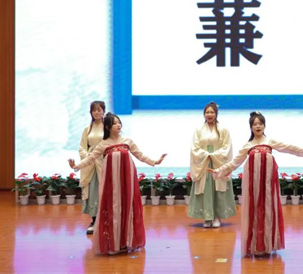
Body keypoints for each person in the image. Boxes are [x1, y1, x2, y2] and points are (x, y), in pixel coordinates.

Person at [208, 111, 303, 257]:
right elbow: (234, 163)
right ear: (251, 127)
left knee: (268, 210)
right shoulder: (248, 146)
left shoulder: (270, 141)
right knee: (254, 211)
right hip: (253, 186)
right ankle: (256, 245)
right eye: (255, 124)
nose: (258, 126)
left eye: (260, 124)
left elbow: (290, 148)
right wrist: (218, 171)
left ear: (264, 126)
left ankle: (268, 244)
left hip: (268, 184)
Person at [68, 113, 166, 255]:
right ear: (108, 127)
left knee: (127, 207)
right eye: (114, 123)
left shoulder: (127, 141)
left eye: (119, 122)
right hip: (111, 183)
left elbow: (140, 155)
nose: (118, 125)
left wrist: (155, 161)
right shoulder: (103, 144)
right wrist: (76, 166)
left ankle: (126, 241)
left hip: (127, 181)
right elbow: (90, 159)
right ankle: (114, 244)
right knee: (113, 208)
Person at [188, 102, 237, 228]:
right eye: (207, 112)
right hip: (204, 163)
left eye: (212, 112)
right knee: (205, 190)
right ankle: (207, 217)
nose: (209, 115)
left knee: (218, 189)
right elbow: (195, 148)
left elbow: (227, 147)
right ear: (204, 114)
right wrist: (206, 155)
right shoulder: (198, 130)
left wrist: (214, 155)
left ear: (216, 114)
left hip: (218, 163)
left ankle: (216, 216)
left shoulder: (223, 130)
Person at [78, 100, 105, 235]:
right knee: (93, 193)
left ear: (103, 111)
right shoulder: (87, 129)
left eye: (99, 110)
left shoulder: (108, 128)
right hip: (91, 165)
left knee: (105, 191)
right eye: (94, 110)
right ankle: (94, 221)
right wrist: (89, 156)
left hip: (104, 164)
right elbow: (82, 147)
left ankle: (106, 221)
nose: (96, 112)